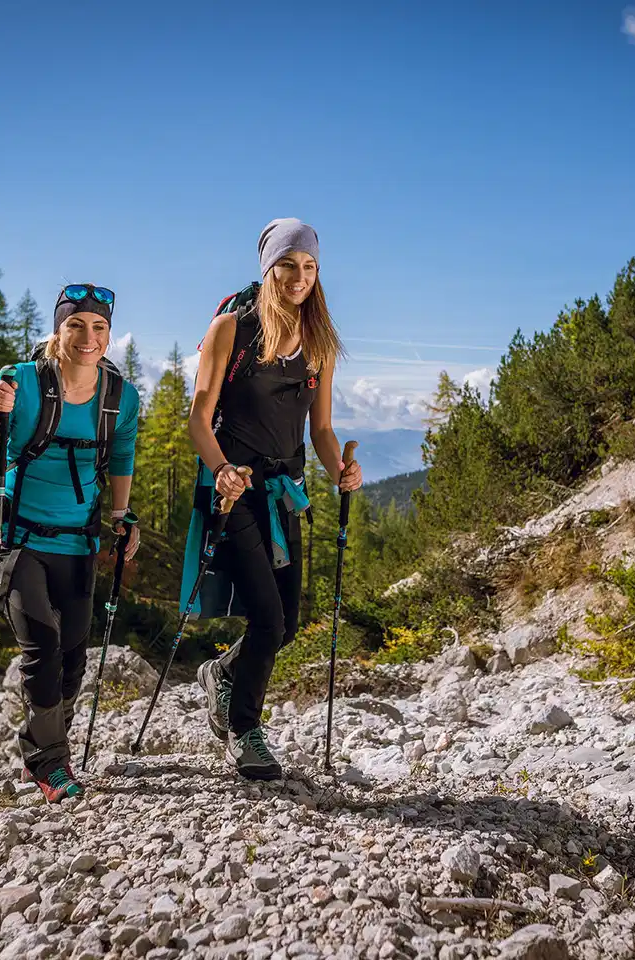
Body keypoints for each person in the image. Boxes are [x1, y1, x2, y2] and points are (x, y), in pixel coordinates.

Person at [186, 218, 362, 780]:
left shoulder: (319, 341)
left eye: (309, 266)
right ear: (268, 269)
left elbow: (323, 429)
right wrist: (221, 471)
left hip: (287, 492)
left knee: (285, 625)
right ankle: (245, 732)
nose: (299, 277)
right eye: (288, 265)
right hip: (236, 490)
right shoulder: (231, 330)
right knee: (265, 617)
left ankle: (221, 674)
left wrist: (341, 470)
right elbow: (197, 419)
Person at [0, 284, 141, 803]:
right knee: (41, 644)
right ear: (57, 331)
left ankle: (42, 743)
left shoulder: (120, 398)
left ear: (109, 335)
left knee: (73, 657)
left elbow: (123, 456)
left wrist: (121, 517)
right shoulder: (18, 382)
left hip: (76, 539)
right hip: (12, 536)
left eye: (99, 327)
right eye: (76, 325)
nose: (88, 337)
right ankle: (50, 764)